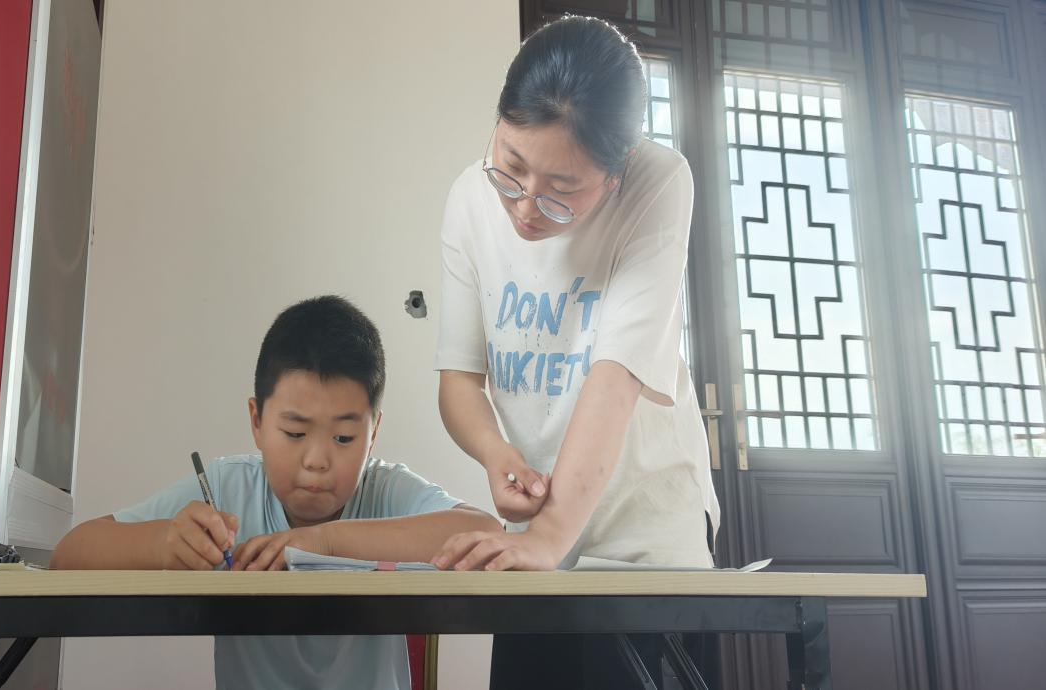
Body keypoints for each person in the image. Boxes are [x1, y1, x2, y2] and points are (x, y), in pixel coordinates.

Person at [427, 15, 721, 688]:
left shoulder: (658, 181)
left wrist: (549, 537)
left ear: (614, 176)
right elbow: (459, 380)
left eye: (562, 191)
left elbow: (614, 377)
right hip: (535, 544)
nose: (525, 207)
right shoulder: (469, 198)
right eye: (511, 167)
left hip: (644, 544)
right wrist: (497, 455)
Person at [52, 295, 500, 690]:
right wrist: (162, 543)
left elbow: (486, 531)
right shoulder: (228, 488)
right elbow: (69, 553)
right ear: (257, 421)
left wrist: (323, 544)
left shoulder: (384, 491)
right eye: (295, 433)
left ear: (373, 433)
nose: (317, 460)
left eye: (344, 438)